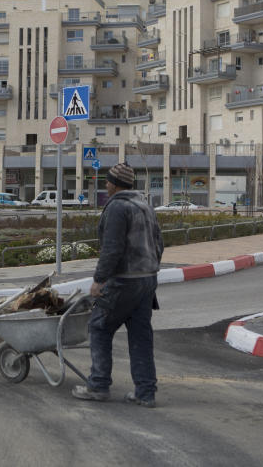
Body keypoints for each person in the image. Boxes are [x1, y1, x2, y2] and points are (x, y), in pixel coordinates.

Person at [72, 162, 163, 408]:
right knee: (141, 336)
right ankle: (146, 392)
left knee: (99, 327)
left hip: (124, 281)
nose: (105, 184)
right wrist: (150, 272)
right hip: (147, 281)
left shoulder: (117, 208)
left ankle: (98, 385)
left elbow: (112, 249)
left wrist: (99, 280)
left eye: (107, 180)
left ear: (113, 184)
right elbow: (159, 244)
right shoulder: (145, 206)